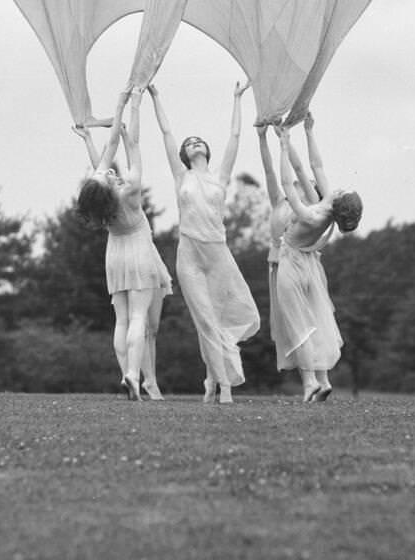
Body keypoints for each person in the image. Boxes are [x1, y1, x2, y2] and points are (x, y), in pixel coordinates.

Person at [147, 81, 260, 404]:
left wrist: (237, 98)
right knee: (206, 321)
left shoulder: (220, 177)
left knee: (221, 319)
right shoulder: (181, 177)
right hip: (190, 256)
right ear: (184, 155)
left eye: (198, 141)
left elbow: (235, 137)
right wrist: (156, 97)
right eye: (189, 144)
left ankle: (211, 377)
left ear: (206, 150)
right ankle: (224, 387)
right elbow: (167, 134)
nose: (193, 143)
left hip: (218, 255)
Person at [74, 89, 171, 401]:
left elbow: (105, 156)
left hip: (114, 254)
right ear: (107, 184)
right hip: (139, 250)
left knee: (122, 319)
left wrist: (89, 140)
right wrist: (126, 105)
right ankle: (133, 373)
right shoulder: (129, 191)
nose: (109, 171)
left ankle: (126, 373)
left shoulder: (99, 201)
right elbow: (130, 146)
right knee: (139, 318)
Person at [274, 117, 362, 402]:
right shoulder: (326, 206)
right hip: (311, 267)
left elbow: (288, 184)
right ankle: (322, 380)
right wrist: (305, 132)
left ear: (339, 201)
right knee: (315, 321)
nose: (339, 187)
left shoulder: (313, 214)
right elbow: (313, 166)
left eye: (343, 191)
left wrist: (283, 148)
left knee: (298, 324)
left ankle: (310, 381)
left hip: (292, 264)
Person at [256, 117, 319, 382]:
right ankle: (312, 381)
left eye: (308, 182)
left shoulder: (312, 205)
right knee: (291, 324)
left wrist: (287, 141)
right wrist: (263, 138)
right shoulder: (279, 202)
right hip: (278, 266)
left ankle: (315, 380)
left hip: (302, 267)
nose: (302, 182)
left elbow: (300, 168)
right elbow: (270, 171)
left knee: (309, 320)